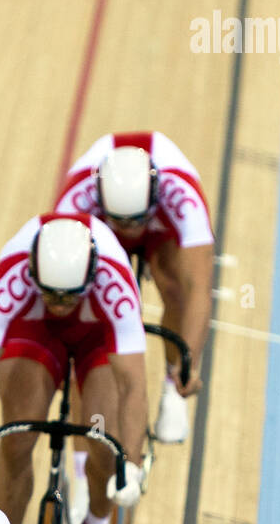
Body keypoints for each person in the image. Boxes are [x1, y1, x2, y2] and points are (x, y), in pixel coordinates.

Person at [0, 211, 148, 524]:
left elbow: (134, 386)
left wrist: (131, 461)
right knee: (15, 443)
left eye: (68, 295)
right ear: (33, 272)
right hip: (35, 332)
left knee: (102, 441)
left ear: (91, 278)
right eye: (51, 293)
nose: (60, 304)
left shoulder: (115, 280)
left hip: (97, 337)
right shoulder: (14, 270)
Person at [55, 130, 214, 442]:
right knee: (85, 310)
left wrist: (187, 365)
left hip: (159, 227)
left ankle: (171, 390)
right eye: (123, 223)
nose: (128, 231)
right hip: (100, 228)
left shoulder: (183, 197)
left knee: (176, 288)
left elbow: (199, 290)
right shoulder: (75, 202)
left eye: (134, 222)